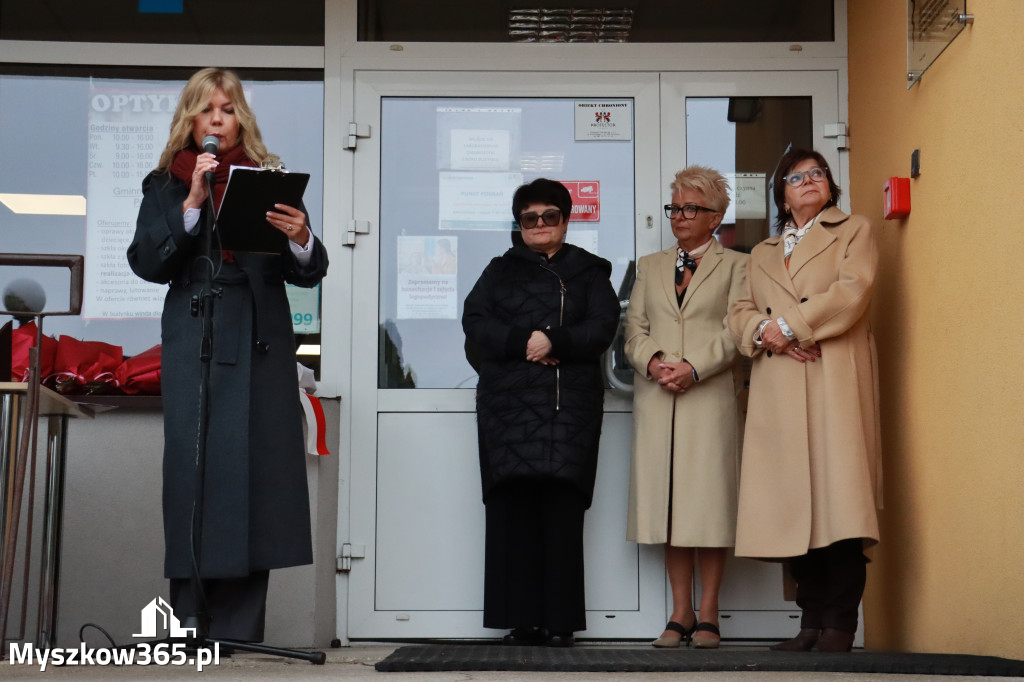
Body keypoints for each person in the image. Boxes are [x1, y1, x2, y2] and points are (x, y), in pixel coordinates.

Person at [127, 67, 329, 643]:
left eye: (229, 108)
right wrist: (192, 205)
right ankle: (190, 627)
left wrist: (301, 238)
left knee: (256, 479)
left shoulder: (268, 179)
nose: (218, 118)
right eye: (206, 109)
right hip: (198, 336)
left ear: (242, 118)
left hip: (261, 342)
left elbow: (310, 271)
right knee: (196, 477)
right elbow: (146, 262)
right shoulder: (164, 184)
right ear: (190, 119)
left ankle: (240, 634)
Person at [727, 148, 881, 653]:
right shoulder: (762, 251)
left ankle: (840, 624)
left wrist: (790, 326)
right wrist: (763, 331)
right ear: (782, 194)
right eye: (797, 177)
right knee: (794, 506)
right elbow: (739, 312)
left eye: (818, 174)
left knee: (839, 504)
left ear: (830, 185)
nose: (809, 181)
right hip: (779, 388)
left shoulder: (852, 230)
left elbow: (852, 291)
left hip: (830, 377)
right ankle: (810, 622)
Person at [462, 178, 619, 648]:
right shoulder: (498, 270)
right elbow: (474, 322)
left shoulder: (590, 271)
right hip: (507, 410)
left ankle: (559, 623)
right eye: (529, 218)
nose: (540, 225)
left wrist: (556, 340)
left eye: (549, 216)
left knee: (562, 513)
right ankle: (520, 622)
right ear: (519, 224)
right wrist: (524, 343)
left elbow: (603, 326)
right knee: (513, 514)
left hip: (567, 408)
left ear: (566, 220)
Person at [624, 166, 747, 649]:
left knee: (709, 507)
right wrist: (653, 362)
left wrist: (694, 366)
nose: (679, 216)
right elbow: (633, 326)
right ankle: (680, 613)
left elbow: (736, 330)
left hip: (709, 398)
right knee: (671, 508)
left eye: (691, 208)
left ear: (715, 217)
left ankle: (710, 614)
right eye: (675, 207)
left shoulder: (739, 265)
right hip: (658, 399)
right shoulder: (649, 265)